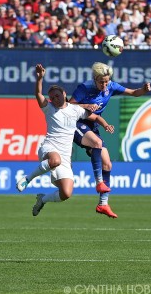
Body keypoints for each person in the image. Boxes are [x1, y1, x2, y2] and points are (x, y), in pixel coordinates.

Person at [16, 64, 115, 217]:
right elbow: (38, 94)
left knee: (66, 193)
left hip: (65, 156)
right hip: (49, 147)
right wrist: (39, 79)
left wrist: (105, 124)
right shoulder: (49, 109)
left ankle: (43, 199)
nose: (55, 98)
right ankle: (27, 179)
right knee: (54, 160)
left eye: (57, 95)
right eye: (52, 97)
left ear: (64, 94)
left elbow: (94, 117)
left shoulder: (75, 109)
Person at [69, 62, 151, 219]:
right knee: (97, 143)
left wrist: (143, 90)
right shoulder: (84, 88)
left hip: (92, 125)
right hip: (77, 123)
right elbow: (67, 105)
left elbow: (133, 92)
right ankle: (99, 182)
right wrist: (85, 104)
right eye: (101, 81)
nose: (104, 84)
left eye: (106, 81)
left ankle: (103, 204)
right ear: (95, 79)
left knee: (107, 163)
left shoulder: (111, 86)